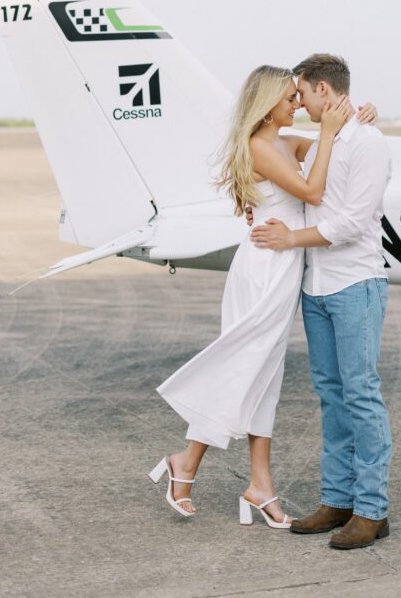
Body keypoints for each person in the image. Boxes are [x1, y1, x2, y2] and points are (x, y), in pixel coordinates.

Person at [149, 64, 377, 528]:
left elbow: (334, 155)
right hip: (263, 269)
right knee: (245, 367)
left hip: (283, 268)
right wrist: (332, 133)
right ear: (267, 104)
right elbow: (313, 191)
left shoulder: (285, 142)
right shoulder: (260, 146)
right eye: (290, 97)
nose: (298, 103)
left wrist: (356, 121)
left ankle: (259, 486)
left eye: (299, 96)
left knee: (264, 377)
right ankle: (186, 461)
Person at [250, 53, 392, 550]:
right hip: (317, 288)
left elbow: (353, 222)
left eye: (303, 93)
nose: (299, 100)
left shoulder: (368, 143)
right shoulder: (322, 144)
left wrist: (292, 240)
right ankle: (338, 500)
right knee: (331, 396)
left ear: (324, 91)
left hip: (355, 285)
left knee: (360, 394)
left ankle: (372, 509)